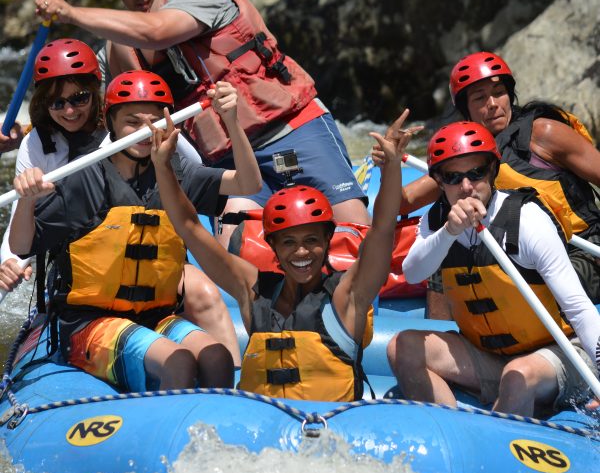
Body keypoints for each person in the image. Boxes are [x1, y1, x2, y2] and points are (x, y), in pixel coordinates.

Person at [33, 0, 371, 248]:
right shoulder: (119, 47)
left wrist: (70, 12)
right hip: (227, 160)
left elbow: (157, 31)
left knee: (351, 230)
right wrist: (25, 133)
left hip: (290, 130)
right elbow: (81, 104)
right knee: (237, 245)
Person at [8, 71, 262, 391]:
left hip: (156, 316)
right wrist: (27, 202)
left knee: (218, 358)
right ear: (110, 122)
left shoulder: (173, 173)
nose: (144, 131)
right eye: (132, 122)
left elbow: (249, 183)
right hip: (88, 323)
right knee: (179, 360)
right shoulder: (85, 179)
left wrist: (232, 121)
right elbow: (21, 245)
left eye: (155, 120)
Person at [150, 105, 420, 401]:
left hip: (329, 431)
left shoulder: (348, 295)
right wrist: (163, 166)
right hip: (264, 432)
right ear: (273, 246)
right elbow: (190, 226)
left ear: (328, 239)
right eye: (288, 242)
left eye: (311, 240)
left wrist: (392, 167)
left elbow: (381, 229)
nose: (301, 251)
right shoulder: (251, 291)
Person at [387, 121, 600, 417]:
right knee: (402, 348)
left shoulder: (526, 219)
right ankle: (454, 433)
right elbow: (413, 272)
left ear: (492, 171)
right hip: (487, 355)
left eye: (476, 173)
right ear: (439, 181)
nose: (465, 187)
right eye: (453, 176)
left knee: (518, 376)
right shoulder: (437, 221)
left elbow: (579, 309)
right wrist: (449, 231)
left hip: (559, 352)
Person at [401, 51, 600, 317]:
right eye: (480, 98)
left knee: (517, 282)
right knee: (446, 255)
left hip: (579, 250)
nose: (493, 104)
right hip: (514, 255)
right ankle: (444, 338)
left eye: (499, 92)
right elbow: (402, 201)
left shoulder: (543, 134)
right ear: (466, 110)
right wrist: (391, 164)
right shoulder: (462, 162)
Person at [0, 38, 106, 295]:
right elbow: (20, 215)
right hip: (78, 255)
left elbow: (192, 167)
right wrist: (10, 261)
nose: (69, 111)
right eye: (57, 103)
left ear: (95, 92)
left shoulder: (121, 124)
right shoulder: (37, 142)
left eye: (80, 98)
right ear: (44, 103)